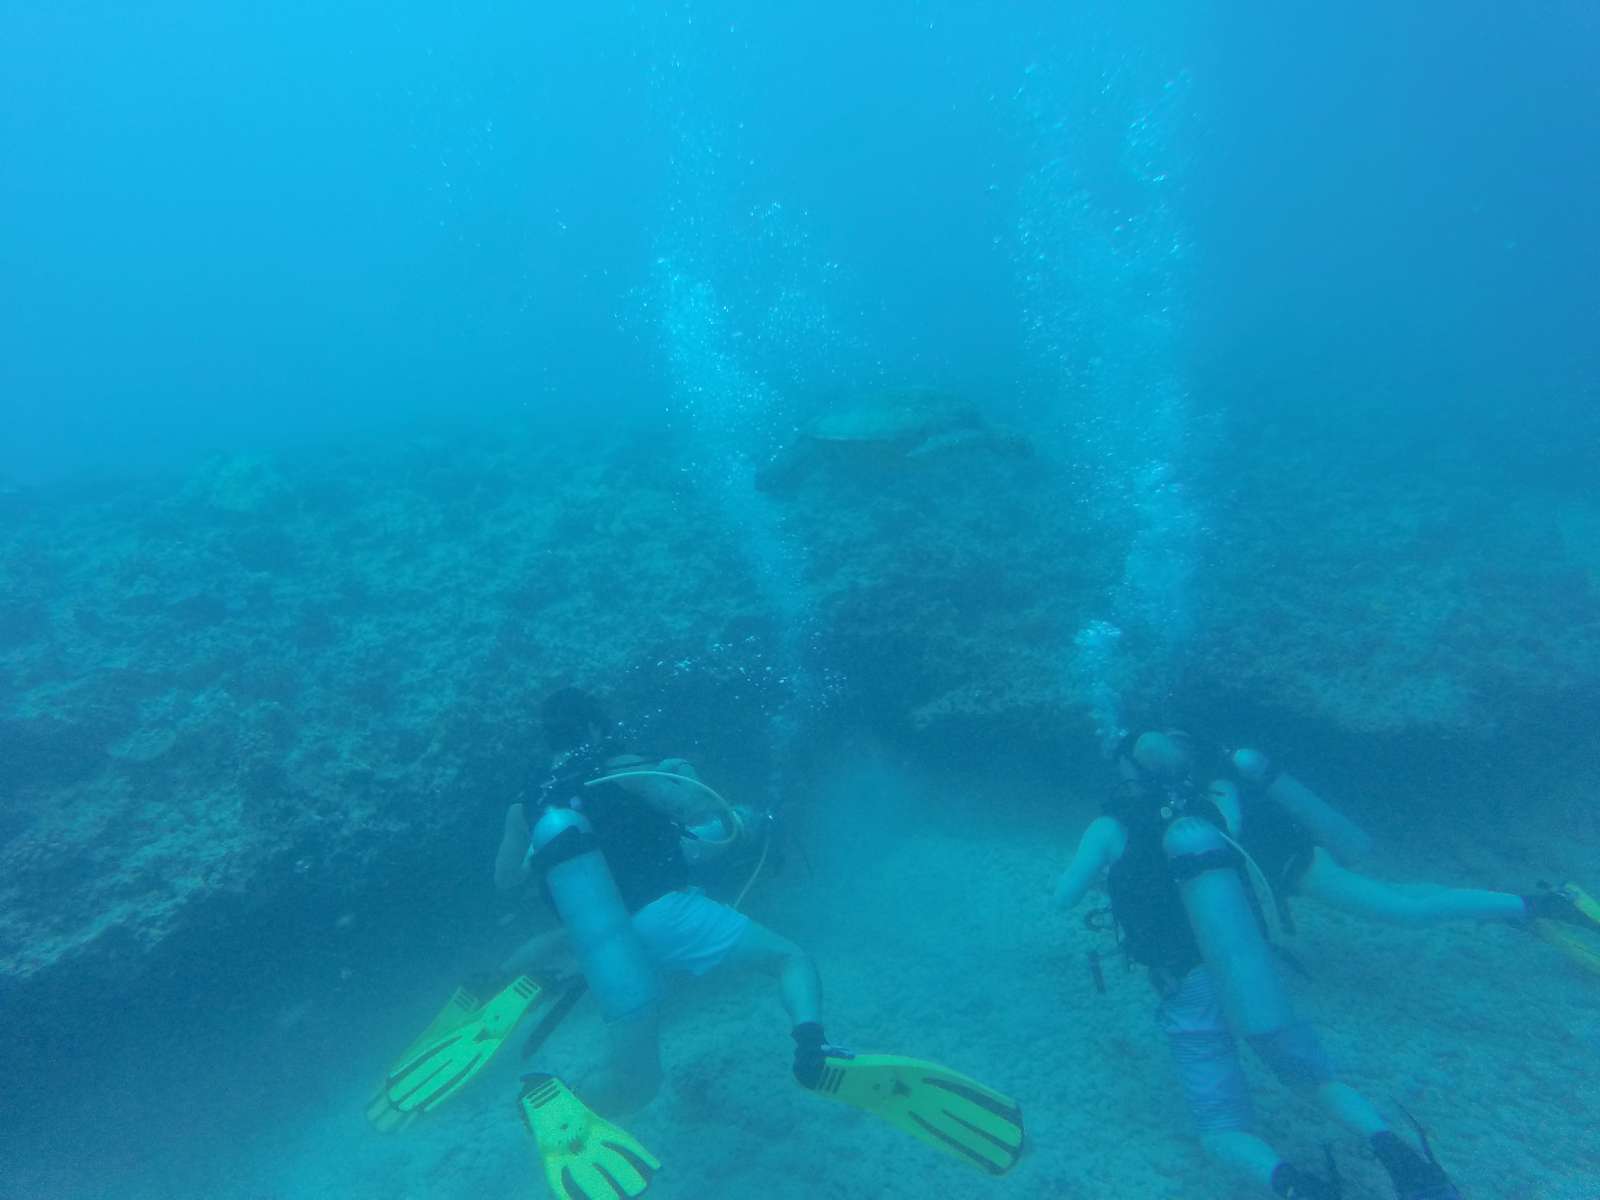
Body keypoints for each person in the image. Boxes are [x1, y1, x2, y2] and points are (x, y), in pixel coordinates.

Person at [368, 687, 1026, 1195]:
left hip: (600, 942)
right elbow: (704, 817)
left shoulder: (529, 802)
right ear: (595, 727)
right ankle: (812, 1048)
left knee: (637, 1085)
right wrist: (703, 792)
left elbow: (505, 881)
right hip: (664, 915)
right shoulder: (620, 766)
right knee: (789, 958)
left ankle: (556, 1099)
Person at [1052, 728, 1481, 1200]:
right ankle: (1403, 1160)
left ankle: (1298, 1188)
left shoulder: (1108, 828)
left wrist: (1108, 879)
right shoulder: (1210, 810)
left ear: (1127, 771)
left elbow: (1064, 897)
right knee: (1316, 1082)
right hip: (1249, 964)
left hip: (1187, 986)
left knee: (1221, 1130)